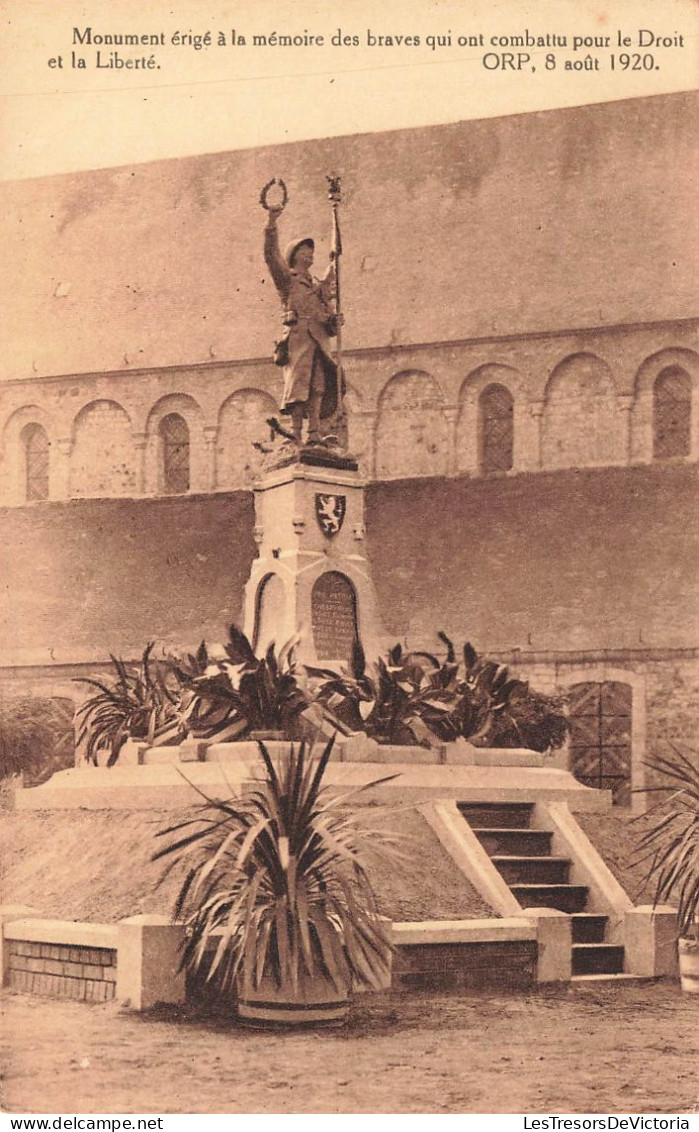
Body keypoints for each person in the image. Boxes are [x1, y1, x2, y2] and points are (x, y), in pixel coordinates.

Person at [263, 204, 341, 445]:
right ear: (294, 255)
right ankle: (296, 433)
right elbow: (271, 255)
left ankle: (314, 432)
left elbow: (327, 317)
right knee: (298, 388)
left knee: (318, 384)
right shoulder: (287, 281)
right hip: (298, 341)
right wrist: (271, 223)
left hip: (318, 340)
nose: (310, 254)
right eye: (305, 251)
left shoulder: (317, 288)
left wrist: (334, 321)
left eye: (311, 251)